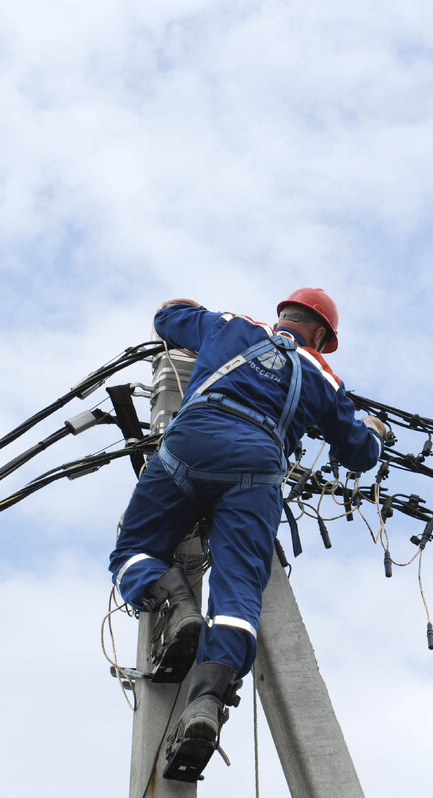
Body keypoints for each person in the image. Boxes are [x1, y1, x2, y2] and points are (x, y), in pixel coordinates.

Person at [108, 287, 385, 780]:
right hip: (256, 471)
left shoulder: (232, 325)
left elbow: (169, 318)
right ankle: (207, 703)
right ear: (320, 334)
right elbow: (358, 451)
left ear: (283, 315)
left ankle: (174, 601)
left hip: (190, 444)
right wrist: (375, 431)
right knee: (238, 595)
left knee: (132, 550)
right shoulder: (321, 375)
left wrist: (185, 307)